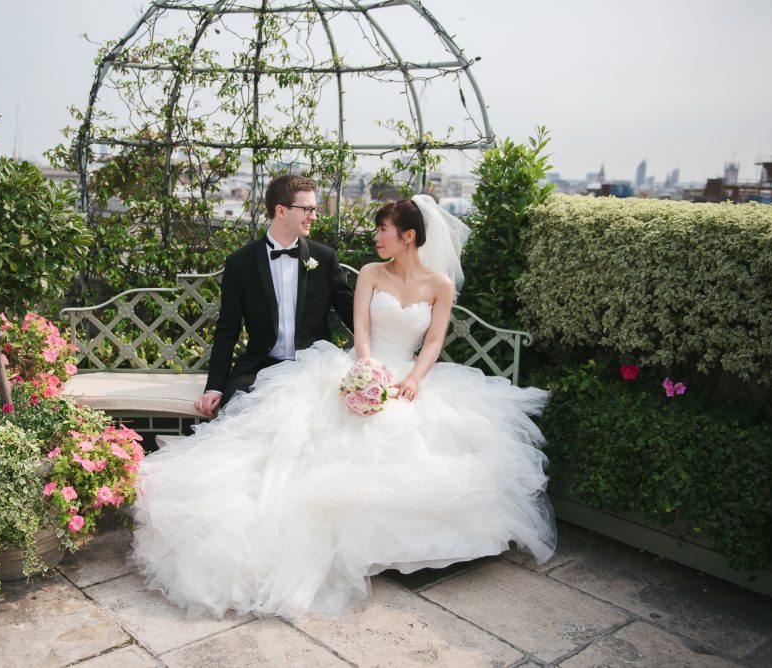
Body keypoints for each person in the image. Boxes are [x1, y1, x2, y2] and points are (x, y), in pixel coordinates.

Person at [132, 194, 556, 619]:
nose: (375, 238)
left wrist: (411, 379)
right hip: (360, 366)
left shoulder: (438, 285)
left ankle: (396, 543)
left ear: (408, 236)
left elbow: (433, 342)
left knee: (412, 437)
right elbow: (361, 327)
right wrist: (366, 368)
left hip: (408, 375)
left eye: (382, 230)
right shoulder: (370, 272)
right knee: (306, 438)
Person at [194, 174, 355, 416]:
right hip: (260, 367)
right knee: (241, 411)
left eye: (314, 209)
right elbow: (227, 329)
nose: (313, 216)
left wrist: (379, 360)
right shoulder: (241, 263)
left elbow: (352, 315)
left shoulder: (324, 258)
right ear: (281, 210)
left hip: (314, 366)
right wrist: (214, 386)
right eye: (307, 209)